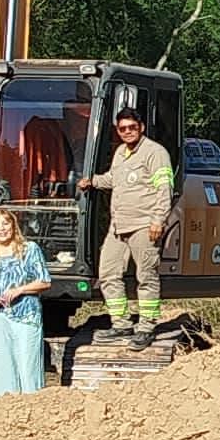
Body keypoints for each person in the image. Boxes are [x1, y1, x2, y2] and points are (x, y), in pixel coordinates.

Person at [85, 106, 176, 339]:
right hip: (118, 227)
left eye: (132, 127)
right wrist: (92, 181)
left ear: (141, 127)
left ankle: (146, 327)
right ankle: (121, 323)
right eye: (123, 128)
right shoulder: (120, 153)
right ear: (118, 130)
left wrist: (158, 220)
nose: (128, 132)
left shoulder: (155, 153)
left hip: (144, 225)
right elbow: (113, 179)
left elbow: (164, 188)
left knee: (146, 276)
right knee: (107, 273)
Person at [0, 206, 50, 400]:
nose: (2, 228)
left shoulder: (29, 250)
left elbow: (45, 281)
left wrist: (20, 290)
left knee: (28, 366)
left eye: (6, 223)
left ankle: (32, 408)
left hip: (26, 317)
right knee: (3, 366)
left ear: (13, 226)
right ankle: (6, 409)